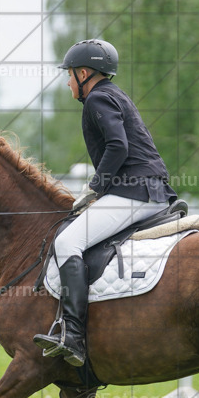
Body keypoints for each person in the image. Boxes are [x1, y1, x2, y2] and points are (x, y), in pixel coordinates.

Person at [33, 39, 177, 367]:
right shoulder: (115, 95)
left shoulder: (97, 99)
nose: (68, 82)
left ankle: (72, 335)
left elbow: (118, 146)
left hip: (134, 192)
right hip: (148, 188)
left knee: (67, 242)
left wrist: (95, 187)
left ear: (83, 74)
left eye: (69, 74)